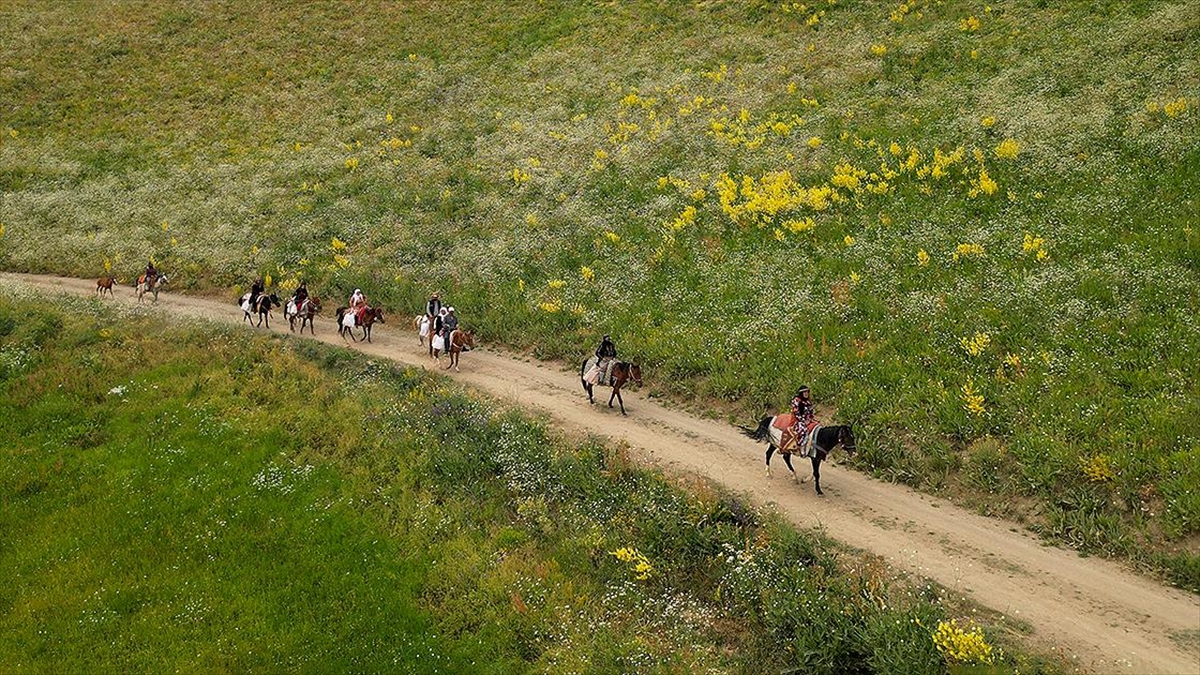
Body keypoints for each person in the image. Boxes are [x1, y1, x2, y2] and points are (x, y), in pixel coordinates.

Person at [791, 386, 816, 456]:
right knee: (803, 430)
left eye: (807, 392)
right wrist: (803, 420)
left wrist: (811, 419)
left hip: (808, 420)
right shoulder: (796, 401)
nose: (806, 394)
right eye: (804, 392)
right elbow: (796, 413)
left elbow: (811, 412)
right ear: (801, 393)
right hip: (798, 420)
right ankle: (801, 447)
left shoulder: (808, 402)